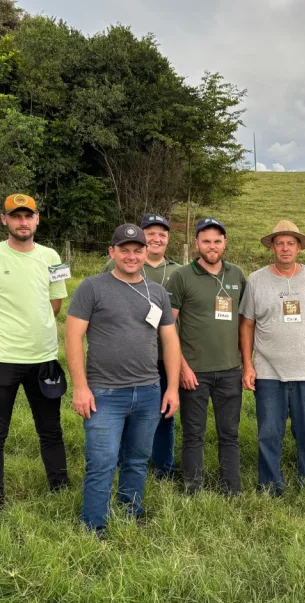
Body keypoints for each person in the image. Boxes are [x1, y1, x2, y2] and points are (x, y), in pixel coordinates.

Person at [66, 223, 181, 534]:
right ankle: (94, 526)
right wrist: (80, 387)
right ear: (112, 252)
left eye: (137, 250)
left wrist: (171, 388)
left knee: (137, 460)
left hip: (148, 391)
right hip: (104, 394)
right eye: (124, 250)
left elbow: (170, 341)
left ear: (146, 252)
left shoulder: (157, 292)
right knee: (101, 463)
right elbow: (73, 337)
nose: (131, 256)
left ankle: (130, 515)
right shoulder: (92, 287)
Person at [0, 193, 70, 508]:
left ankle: (61, 489)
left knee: (51, 429)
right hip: (0, 361)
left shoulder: (53, 257)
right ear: (4, 219)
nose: (23, 222)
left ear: (37, 219)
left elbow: (56, 303)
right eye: (15, 216)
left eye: (28, 216)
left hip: (44, 359)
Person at [239, 220, 305, 495]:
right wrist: (247, 365)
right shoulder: (256, 280)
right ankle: (270, 485)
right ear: (272, 247)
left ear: (299, 248)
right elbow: (246, 325)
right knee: (269, 433)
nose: (285, 248)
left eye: (290, 243)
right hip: (268, 372)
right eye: (280, 243)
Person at [167, 217, 246, 495]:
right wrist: (182, 368)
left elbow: (245, 322)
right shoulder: (181, 277)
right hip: (194, 372)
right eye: (206, 241)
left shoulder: (236, 275)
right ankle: (193, 489)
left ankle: (232, 489)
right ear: (196, 244)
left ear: (225, 243)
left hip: (230, 370)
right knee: (193, 434)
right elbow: (169, 327)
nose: (212, 246)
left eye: (217, 241)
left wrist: (245, 363)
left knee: (230, 434)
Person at [103, 213, 181, 479]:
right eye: (151, 233)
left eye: (162, 234)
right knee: (125, 412)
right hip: (128, 356)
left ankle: (164, 467)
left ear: (167, 239)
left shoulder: (178, 271)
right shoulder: (120, 264)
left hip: (164, 357)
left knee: (165, 414)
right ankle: (120, 462)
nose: (157, 238)